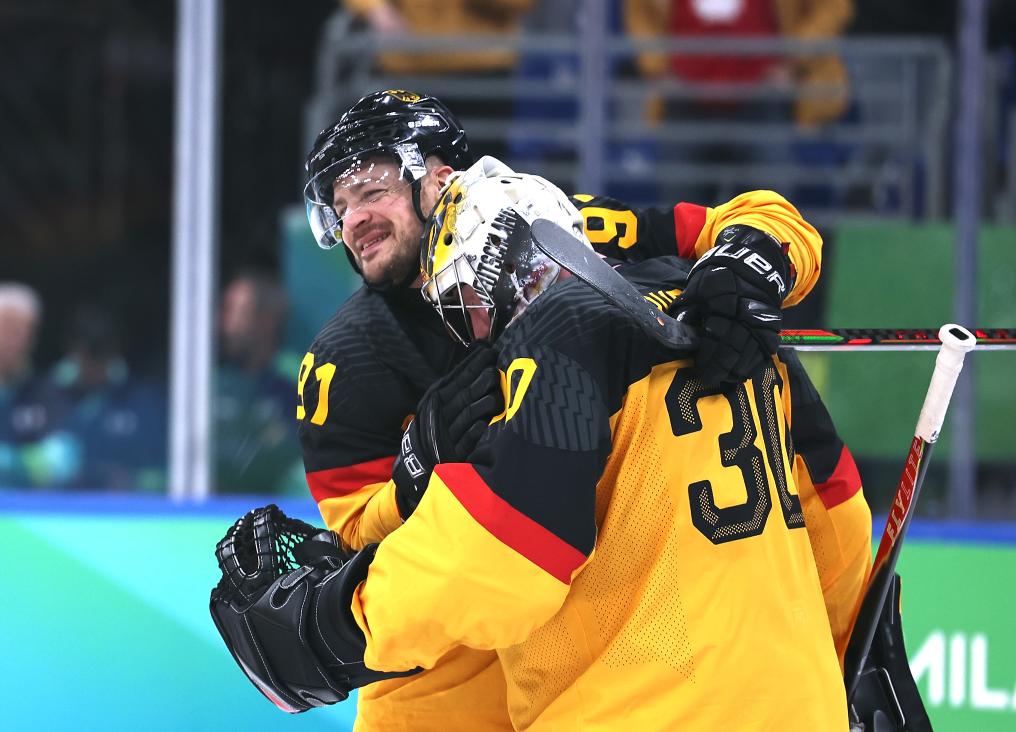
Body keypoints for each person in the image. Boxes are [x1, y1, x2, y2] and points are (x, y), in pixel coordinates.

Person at [213, 165, 865, 728]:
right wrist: (849, 661)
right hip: (802, 709)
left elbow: (504, 557)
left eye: (460, 301)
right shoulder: (739, 333)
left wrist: (332, 625)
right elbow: (838, 522)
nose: (469, 330)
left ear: (492, 275)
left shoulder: (553, 336)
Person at [215, 270, 304, 494]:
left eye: (237, 312)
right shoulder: (212, 384)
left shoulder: (298, 382)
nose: (226, 325)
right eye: (225, 311)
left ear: (267, 320)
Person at [0, 282, 73, 488]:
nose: (18, 339)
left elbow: (63, 462)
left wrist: (11, 462)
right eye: (9, 327)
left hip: (29, 505)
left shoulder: (47, 391)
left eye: (27, 330)